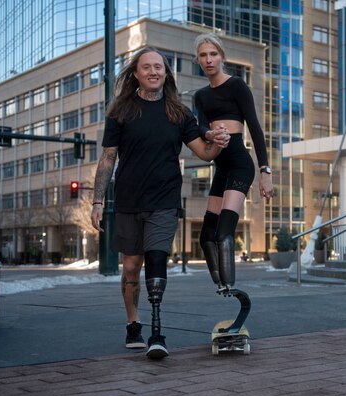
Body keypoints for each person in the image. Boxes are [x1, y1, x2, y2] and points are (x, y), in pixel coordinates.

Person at [91, 47, 229, 359]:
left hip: (165, 200)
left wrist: (218, 143)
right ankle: (132, 323)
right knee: (131, 267)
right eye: (147, 67)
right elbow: (107, 158)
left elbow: (204, 153)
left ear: (166, 74)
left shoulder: (179, 114)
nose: (154, 71)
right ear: (136, 73)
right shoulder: (120, 112)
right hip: (128, 200)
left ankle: (156, 330)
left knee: (156, 259)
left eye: (159, 67)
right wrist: (97, 200)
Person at [193, 33, 274, 297]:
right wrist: (209, 134)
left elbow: (255, 127)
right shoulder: (201, 96)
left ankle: (230, 286)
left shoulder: (237, 86)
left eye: (213, 54)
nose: (208, 59)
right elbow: (201, 125)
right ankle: (221, 287)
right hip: (221, 167)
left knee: (224, 234)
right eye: (203, 55)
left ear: (222, 56)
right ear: (198, 59)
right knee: (207, 236)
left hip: (240, 164)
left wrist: (265, 171)